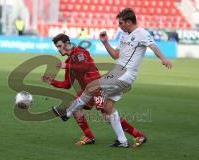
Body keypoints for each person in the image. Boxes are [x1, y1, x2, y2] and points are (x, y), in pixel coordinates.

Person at [52, 8, 172, 148]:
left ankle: (68, 112)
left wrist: (164, 59)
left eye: (121, 22)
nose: (119, 25)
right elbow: (115, 55)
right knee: (108, 107)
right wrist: (105, 42)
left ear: (128, 22)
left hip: (124, 73)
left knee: (91, 87)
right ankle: (122, 141)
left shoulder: (141, 33)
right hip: (117, 71)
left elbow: (153, 46)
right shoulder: (123, 35)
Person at [47, 33, 146, 146]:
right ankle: (88, 136)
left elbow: (85, 67)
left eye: (60, 46)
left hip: (98, 88)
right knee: (77, 109)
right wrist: (53, 82)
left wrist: (67, 66)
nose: (58, 49)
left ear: (68, 44)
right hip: (88, 92)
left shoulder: (80, 52)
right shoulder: (69, 62)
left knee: (108, 116)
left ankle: (138, 135)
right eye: (57, 47)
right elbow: (67, 84)